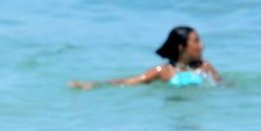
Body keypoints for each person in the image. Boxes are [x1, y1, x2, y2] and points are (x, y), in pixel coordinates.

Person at [69, 26, 221, 89]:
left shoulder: (205, 67)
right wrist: (94, 84)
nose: (201, 45)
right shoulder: (164, 71)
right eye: (196, 41)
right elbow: (130, 81)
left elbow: (223, 85)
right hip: (175, 112)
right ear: (181, 47)